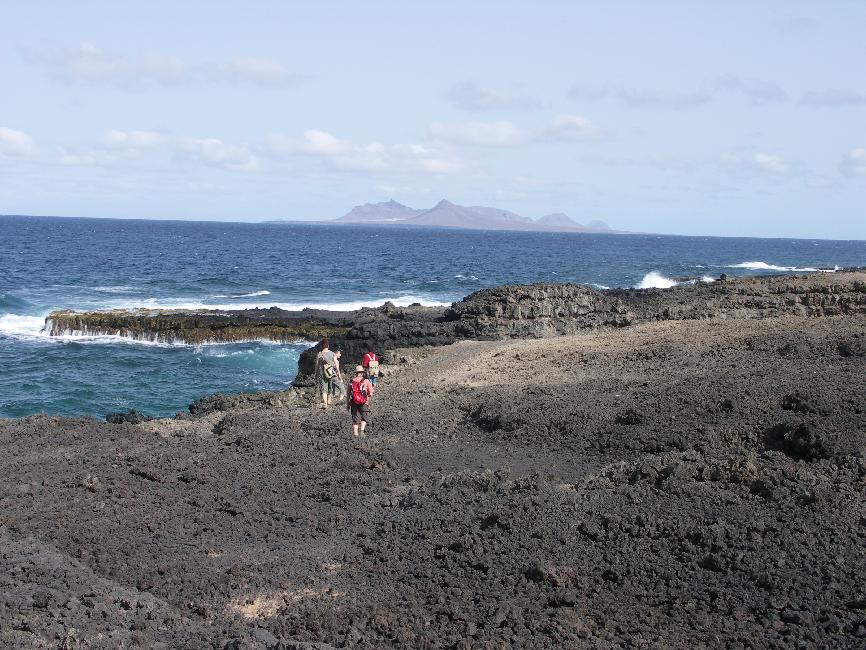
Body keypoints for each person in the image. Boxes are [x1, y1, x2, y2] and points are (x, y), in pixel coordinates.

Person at [346, 364, 374, 436]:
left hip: (354, 402)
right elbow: (370, 392)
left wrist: (348, 405)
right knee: (364, 417)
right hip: (364, 402)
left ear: (356, 373)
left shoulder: (351, 382)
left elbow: (348, 394)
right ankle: (361, 431)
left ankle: (355, 434)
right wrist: (368, 395)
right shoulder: (366, 381)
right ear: (362, 372)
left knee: (355, 419)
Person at [315, 338, 337, 409]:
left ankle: (325, 403)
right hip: (330, 372)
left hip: (322, 372)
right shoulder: (333, 353)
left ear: (322, 345)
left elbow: (317, 365)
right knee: (330, 386)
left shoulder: (319, 354)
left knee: (324, 388)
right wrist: (337, 371)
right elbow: (335, 364)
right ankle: (329, 400)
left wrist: (316, 373)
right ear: (328, 345)